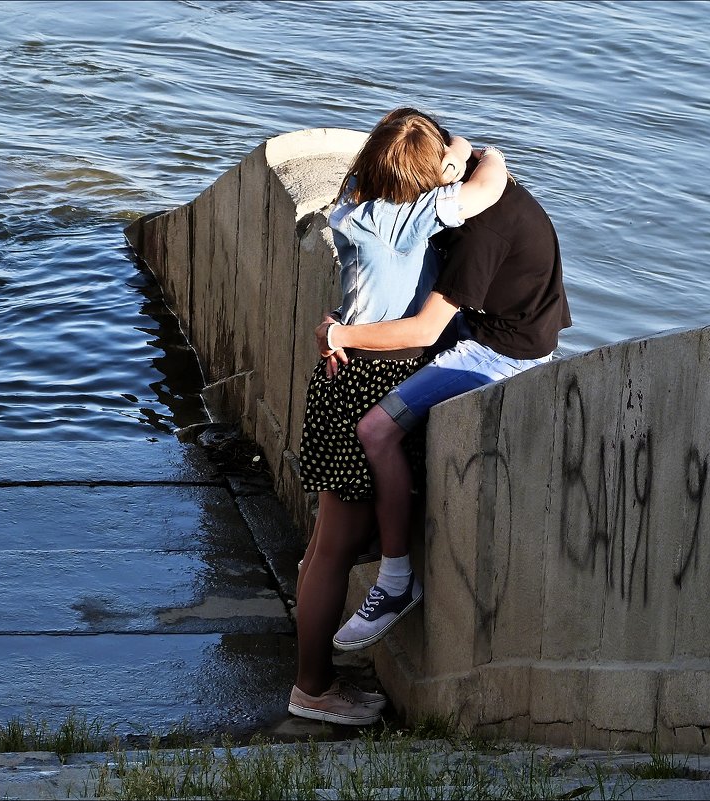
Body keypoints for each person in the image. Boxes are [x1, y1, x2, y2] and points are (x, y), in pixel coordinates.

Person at [288, 107, 509, 725]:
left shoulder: (353, 205)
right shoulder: (412, 221)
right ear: (423, 177)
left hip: (342, 376)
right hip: (377, 378)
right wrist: (466, 153)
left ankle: (314, 676)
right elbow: (491, 178)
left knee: (322, 545)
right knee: (332, 549)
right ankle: (311, 688)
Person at [319, 150, 572, 653]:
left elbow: (425, 328)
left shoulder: (480, 237)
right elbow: (477, 148)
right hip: (490, 318)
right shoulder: (467, 170)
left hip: (502, 351)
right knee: (385, 355)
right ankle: (380, 518)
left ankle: (395, 582)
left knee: (376, 429)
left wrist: (342, 335)